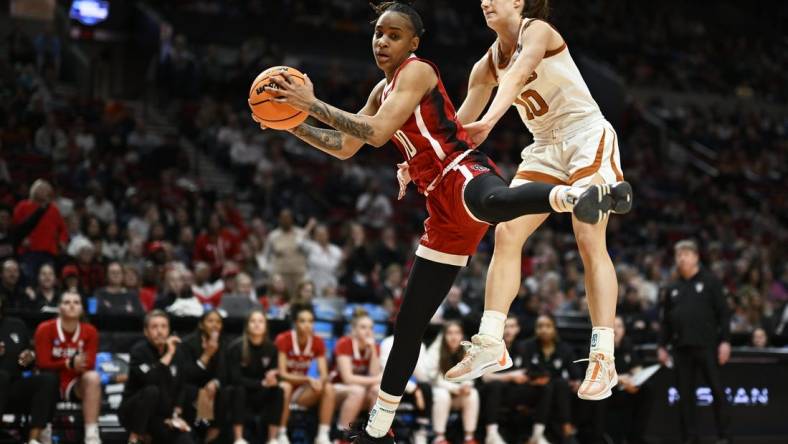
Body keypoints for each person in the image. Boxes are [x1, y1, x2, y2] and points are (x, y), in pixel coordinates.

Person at [253, 3, 631, 441]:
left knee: (541, 221)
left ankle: (598, 332)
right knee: (413, 317)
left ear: (413, 42)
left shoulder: (430, 67)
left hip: (495, 162)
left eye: (393, 34)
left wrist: (311, 102)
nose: (382, 41)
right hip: (454, 190)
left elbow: (381, 133)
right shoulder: (400, 86)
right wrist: (292, 122)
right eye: (378, 33)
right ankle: (383, 425)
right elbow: (349, 144)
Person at [445, 0, 632, 403]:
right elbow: (454, 132)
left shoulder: (539, 32)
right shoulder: (484, 67)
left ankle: (604, 355)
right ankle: (492, 343)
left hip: (586, 134)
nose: (485, 2)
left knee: (588, 237)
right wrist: (420, 161)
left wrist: (490, 121)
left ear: (519, 1)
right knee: (507, 232)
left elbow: (515, 78)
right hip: (545, 146)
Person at [658, 240, 731, 444]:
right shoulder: (672, 288)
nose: (681, 258)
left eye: (686, 254)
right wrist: (661, 346)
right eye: (678, 255)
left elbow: (724, 314)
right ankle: (690, 438)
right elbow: (666, 321)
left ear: (696, 257)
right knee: (685, 396)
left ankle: (724, 436)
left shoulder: (710, 281)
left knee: (717, 390)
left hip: (708, 346)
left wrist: (725, 341)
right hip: (681, 348)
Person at [34, 291, 102, 444]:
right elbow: (42, 362)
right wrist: (68, 363)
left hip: (74, 383)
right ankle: (44, 429)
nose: (72, 305)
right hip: (50, 383)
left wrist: (68, 364)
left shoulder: (90, 331)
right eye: (67, 302)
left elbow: (89, 364)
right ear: (59, 308)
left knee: (93, 377)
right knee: (47, 380)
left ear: (82, 309)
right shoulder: (45, 328)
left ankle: (92, 435)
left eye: (76, 302)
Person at [119, 310, 194, 444]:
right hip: (134, 412)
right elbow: (150, 379)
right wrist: (168, 354)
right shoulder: (139, 351)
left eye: (164, 326)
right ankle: (135, 438)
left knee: (185, 439)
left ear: (169, 329)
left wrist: (175, 416)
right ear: (146, 332)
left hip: (160, 415)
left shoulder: (179, 353)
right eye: (154, 327)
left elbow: (181, 386)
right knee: (152, 390)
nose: (160, 331)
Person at [0, 295, 58, 444]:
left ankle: (34, 439)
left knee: (48, 379)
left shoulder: (16, 325)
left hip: (13, 387)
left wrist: (30, 357)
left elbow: (29, 355)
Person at [274, 304, 335, 444]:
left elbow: (324, 373)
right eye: (303, 321)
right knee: (286, 386)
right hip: (281, 388)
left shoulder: (318, 341)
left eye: (310, 321)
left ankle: (323, 435)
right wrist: (308, 378)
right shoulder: (283, 339)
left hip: (301, 391)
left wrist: (321, 381)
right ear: (295, 323)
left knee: (329, 388)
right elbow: (282, 374)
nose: (307, 325)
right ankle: (281, 434)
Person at [520, 314, 581, 444]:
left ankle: (565, 425)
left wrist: (576, 382)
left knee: (560, 384)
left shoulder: (565, 349)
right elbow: (524, 371)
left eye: (548, 326)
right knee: (551, 385)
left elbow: (576, 374)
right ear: (535, 329)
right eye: (540, 326)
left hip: (558, 392)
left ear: (554, 328)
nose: (544, 330)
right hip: (534, 389)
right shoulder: (527, 346)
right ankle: (563, 425)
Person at [227, 309, 284, 444]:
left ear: (265, 326)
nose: (257, 324)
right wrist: (261, 383)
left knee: (279, 391)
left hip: (262, 393)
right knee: (239, 390)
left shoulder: (272, 348)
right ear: (247, 325)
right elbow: (234, 378)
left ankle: (273, 439)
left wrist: (274, 379)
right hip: (241, 392)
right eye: (253, 321)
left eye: (260, 321)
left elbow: (277, 375)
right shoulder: (236, 347)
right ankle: (238, 438)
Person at [425, 321, 479, 444]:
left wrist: (467, 385)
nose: (453, 337)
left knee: (472, 393)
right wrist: (455, 388)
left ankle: (469, 437)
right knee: (442, 394)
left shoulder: (467, 349)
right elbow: (433, 378)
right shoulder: (436, 349)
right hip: (438, 392)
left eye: (457, 333)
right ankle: (439, 437)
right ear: (444, 335)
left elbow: (472, 373)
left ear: (462, 335)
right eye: (449, 333)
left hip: (458, 394)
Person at [180, 310, 228, 443]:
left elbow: (224, 372)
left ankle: (212, 435)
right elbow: (187, 375)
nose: (215, 325)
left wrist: (215, 382)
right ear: (201, 325)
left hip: (214, 388)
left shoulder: (225, 343)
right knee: (199, 392)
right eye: (210, 321)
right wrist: (206, 355)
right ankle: (201, 434)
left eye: (218, 322)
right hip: (192, 387)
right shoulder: (187, 344)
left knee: (225, 391)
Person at [332, 310, 382, 438]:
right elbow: (347, 379)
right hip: (335, 387)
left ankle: (372, 436)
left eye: (371, 328)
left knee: (377, 390)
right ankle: (342, 435)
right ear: (353, 329)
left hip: (360, 390)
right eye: (363, 327)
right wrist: (377, 379)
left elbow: (373, 374)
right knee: (357, 391)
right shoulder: (344, 343)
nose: (368, 331)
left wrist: (372, 350)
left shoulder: (374, 347)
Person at [13, 180, 68, 282]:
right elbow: (15, 227)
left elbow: (63, 229)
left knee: (48, 280)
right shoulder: (23, 206)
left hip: (48, 252)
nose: (43, 192)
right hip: (29, 252)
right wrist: (22, 239)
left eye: (46, 189)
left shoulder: (53, 209)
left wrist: (62, 241)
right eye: (41, 189)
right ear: (33, 191)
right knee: (29, 279)